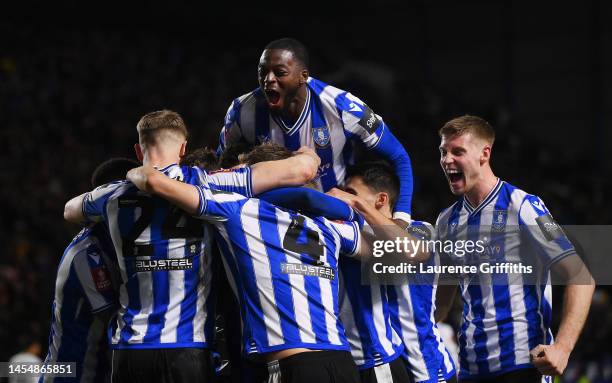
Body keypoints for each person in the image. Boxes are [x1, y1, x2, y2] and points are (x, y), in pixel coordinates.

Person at [125, 144, 425, 383]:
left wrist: (129, 176)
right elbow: (410, 253)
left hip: (290, 364)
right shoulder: (328, 225)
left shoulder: (238, 211)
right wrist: (355, 206)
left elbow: (153, 180)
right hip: (340, 361)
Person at [62, 110, 321, 382]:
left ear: (139, 151)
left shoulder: (111, 193)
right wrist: (309, 153)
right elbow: (301, 170)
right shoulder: (208, 183)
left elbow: (70, 209)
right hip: (188, 348)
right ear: (184, 148)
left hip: (130, 349)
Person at [434, 115, 595, 382]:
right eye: (443, 152)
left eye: (457, 151)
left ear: (485, 154)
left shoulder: (523, 206)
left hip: (524, 366)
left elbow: (580, 276)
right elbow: (442, 298)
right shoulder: (446, 221)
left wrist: (563, 349)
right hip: (471, 370)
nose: (446, 160)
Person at [217, 37, 414, 224]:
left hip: (331, 215)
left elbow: (398, 156)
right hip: (269, 212)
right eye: (263, 71)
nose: (268, 79)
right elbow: (221, 163)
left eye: (279, 72)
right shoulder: (241, 111)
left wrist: (402, 217)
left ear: (303, 76)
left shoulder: (343, 107)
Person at [328, 161, 456, 383]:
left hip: (428, 369)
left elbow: (410, 251)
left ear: (381, 199)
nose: (345, 198)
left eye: (352, 192)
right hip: (392, 364)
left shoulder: (419, 229)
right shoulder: (360, 236)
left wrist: (358, 204)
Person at [41, 157, 139, 383]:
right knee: (11, 369)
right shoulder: (86, 254)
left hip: (96, 373)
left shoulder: (115, 243)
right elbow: (116, 321)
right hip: (71, 376)